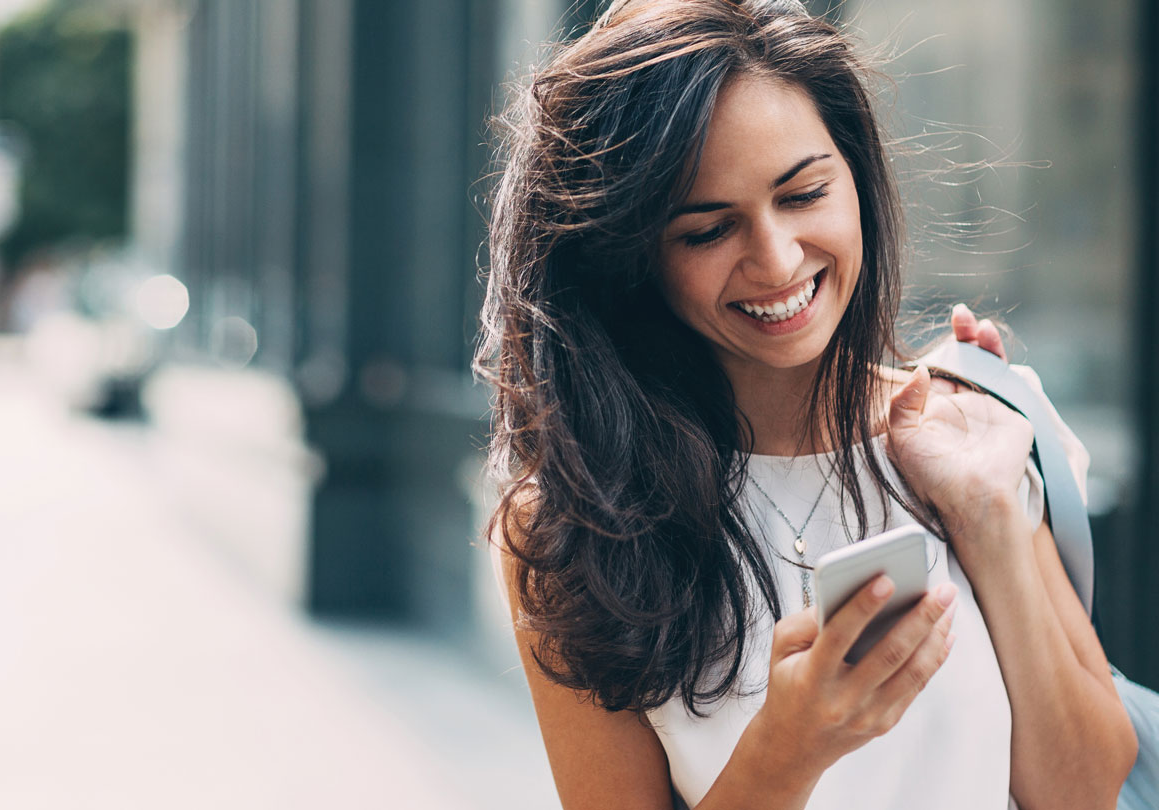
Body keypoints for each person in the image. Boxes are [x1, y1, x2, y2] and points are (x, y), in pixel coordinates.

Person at [474, 1, 1139, 808]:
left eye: (803, 194)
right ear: (632, 259)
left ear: (855, 176)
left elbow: (1086, 789)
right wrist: (790, 749)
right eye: (708, 231)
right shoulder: (572, 525)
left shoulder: (965, 434)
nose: (778, 260)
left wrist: (989, 517)